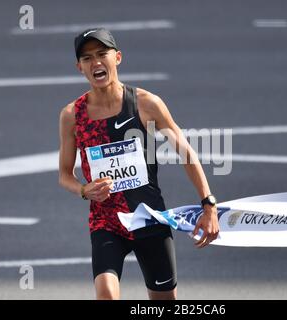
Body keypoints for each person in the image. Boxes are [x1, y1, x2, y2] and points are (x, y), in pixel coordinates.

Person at [58, 27, 219, 300]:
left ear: (117, 57)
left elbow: (186, 153)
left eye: (102, 54)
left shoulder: (146, 104)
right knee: (106, 294)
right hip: (106, 222)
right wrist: (85, 190)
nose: (95, 62)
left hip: (149, 218)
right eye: (87, 58)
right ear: (79, 67)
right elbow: (64, 174)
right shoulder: (72, 115)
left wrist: (209, 204)